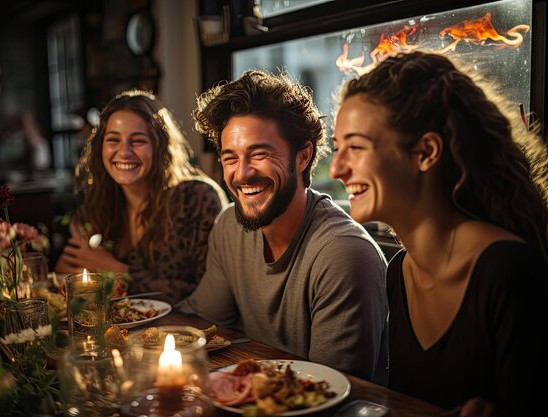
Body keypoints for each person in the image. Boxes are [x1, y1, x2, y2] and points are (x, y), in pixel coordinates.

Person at [329, 51, 548, 416]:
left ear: (426, 152)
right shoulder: (400, 271)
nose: (336, 168)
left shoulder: (508, 272)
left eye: (355, 147)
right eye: (337, 149)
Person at [177, 70, 389, 384]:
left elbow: (330, 391)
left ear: (302, 157)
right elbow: (202, 326)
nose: (242, 174)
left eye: (259, 154)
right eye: (230, 158)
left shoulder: (344, 253)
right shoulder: (229, 227)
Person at [55, 90, 228, 305]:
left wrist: (116, 270)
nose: (124, 152)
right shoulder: (102, 201)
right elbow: (65, 272)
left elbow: (211, 295)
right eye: (113, 140)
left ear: (160, 146)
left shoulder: (197, 198)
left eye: (138, 141)